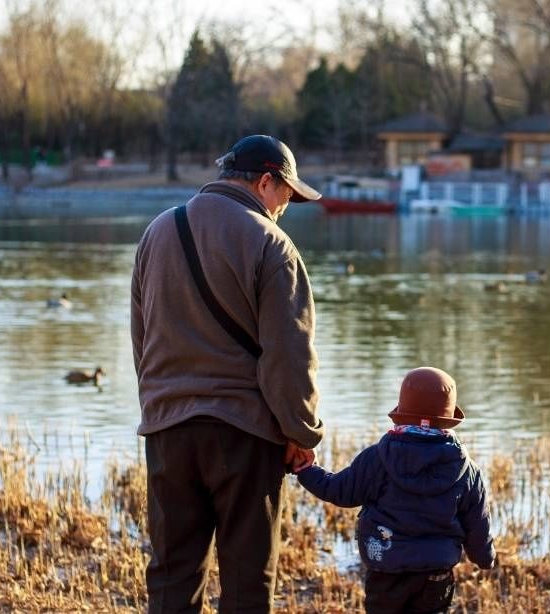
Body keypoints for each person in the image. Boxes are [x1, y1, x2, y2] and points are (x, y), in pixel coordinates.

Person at [131, 134, 325, 613]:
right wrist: (301, 432)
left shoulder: (158, 231)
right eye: (287, 195)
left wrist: (160, 406)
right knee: (245, 583)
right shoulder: (272, 245)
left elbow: (142, 337)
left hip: (167, 430)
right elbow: (289, 356)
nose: (286, 207)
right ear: (265, 182)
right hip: (243, 435)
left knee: (172, 578)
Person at [292, 367, 495, 614]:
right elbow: (477, 523)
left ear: (402, 412)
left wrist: (306, 469)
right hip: (436, 574)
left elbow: (339, 491)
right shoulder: (467, 470)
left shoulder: (377, 458)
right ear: (449, 418)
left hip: (386, 569)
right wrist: (484, 558)